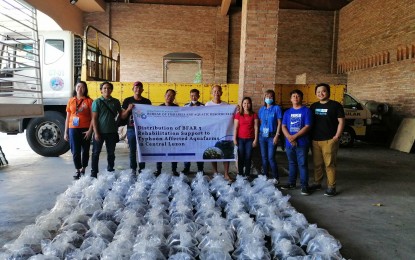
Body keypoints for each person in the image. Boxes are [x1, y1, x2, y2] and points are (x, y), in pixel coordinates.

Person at [309, 83, 345, 197]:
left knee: (329, 164)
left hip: (329, 140)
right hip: (315, 140)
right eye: (318, 92)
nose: (321, 93)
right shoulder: (313, 106)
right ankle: (317, 183)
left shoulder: (335, 105)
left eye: (323, 91)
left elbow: (341, 121)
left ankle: (331, 187)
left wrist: (337, 136)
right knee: (317, 164)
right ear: (315, 94)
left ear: (328, 92)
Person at [281, 89, 312, 195]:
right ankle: (291, 183)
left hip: (302, 143)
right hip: (289, 143)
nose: (295, 98)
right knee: (292, 163)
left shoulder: (306, 111)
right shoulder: (287, 112)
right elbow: (283, 126)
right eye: (293, 96)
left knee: (302, 164)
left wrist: (294, 137)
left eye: (298, 96)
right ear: (290, 99)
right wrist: (289, 137)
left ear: (301, 98)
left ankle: (304, 186)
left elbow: (307, 126)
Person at [90, 81, 122, 178]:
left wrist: (116, 124)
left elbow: (120, 115)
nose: (106, 90)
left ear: (111, 90)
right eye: (104, 88)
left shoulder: (116, 102)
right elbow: (94, 119)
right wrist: (96, 133)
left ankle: (110, 169)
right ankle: (94, 172)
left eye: (109, 88)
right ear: (101, 90)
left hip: (112, 132)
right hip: (99, 132)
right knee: (95, 153)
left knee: (111, 153)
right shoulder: (97, 102)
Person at [121, 81, 152, 176]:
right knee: (132, 151)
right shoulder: (127, 101)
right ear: (133, 89)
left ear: (142, 90)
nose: (138, 89)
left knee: (142, 150)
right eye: (136, 87)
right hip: (131, 129)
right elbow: (122, 116)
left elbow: (150, 116)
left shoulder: (147, 102)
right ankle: (133, 169)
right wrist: (128, 109)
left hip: (143, 130)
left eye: (139, 87)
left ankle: (142, 170)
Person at [64, 81, 94, 179]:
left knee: (85, 150)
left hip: (85, 128)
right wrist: (66, 132)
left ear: (85, 89)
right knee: (75, 151)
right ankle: (77, 169)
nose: (80, 89)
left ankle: (83, 169)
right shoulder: (71, 101)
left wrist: (90, 130)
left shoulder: (89, 101)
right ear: (75, 88)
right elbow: (68, 117)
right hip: (73, 129)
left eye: (82, 87)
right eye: (78, 86)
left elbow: (93, 117)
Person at [205, 84, 232, 181]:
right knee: (213, 153)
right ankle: (215, 173)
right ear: (212, 93)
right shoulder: (207, 105)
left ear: (221, 92)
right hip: (212, 133)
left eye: (218, 91)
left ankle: (226, 173)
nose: (216, 93)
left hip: (224, 133)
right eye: (214, 91)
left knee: (226, 153)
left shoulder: (226, 105)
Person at [258, 89, 282, 184]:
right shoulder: (261, 109)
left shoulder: (277, 108)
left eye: (271, 96)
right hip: (262, 136)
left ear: (274, 98)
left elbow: (279, 123)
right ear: (264, 98)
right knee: (264, 157)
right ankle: (265, 176)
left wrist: (277, 135)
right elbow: (261, 121)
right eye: (267, 96)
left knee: (271, 157)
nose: (269, 98)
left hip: (272, 135)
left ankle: (276, 177)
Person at [155, 89, 179, 176]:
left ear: (174, 98)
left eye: (172, 96)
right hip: (161, 134)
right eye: (168, 95)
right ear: (165, 96)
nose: (170, 97)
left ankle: (174, 170)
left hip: (173, 134)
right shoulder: (159, 108)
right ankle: (158, 170)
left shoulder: (177, 108)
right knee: (160, 152)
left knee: (174, 152)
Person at [181, 88, 205, 175]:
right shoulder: (185, 106)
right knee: (187, 150)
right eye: (191, 95)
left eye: (195, 95)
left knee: (199, 151)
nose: (193, 97)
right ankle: (186, 167)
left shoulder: (203, 107)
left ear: (199, 96)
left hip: (199, 133)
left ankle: (200, 168)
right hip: (188, 133)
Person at [233, 97, 258, 177]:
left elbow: (256, 127)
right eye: (244, 103)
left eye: (248, 103)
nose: (246, 105)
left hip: (250, 139)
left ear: (250, 104)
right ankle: (240, 174)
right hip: (240, 139)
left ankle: (247, 174)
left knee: (248, 156)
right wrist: (234, 138)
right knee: (240, 157)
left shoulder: (254, 115)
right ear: (242, 104)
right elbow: (236, 127)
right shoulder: (238, 115)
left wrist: (255, 140)